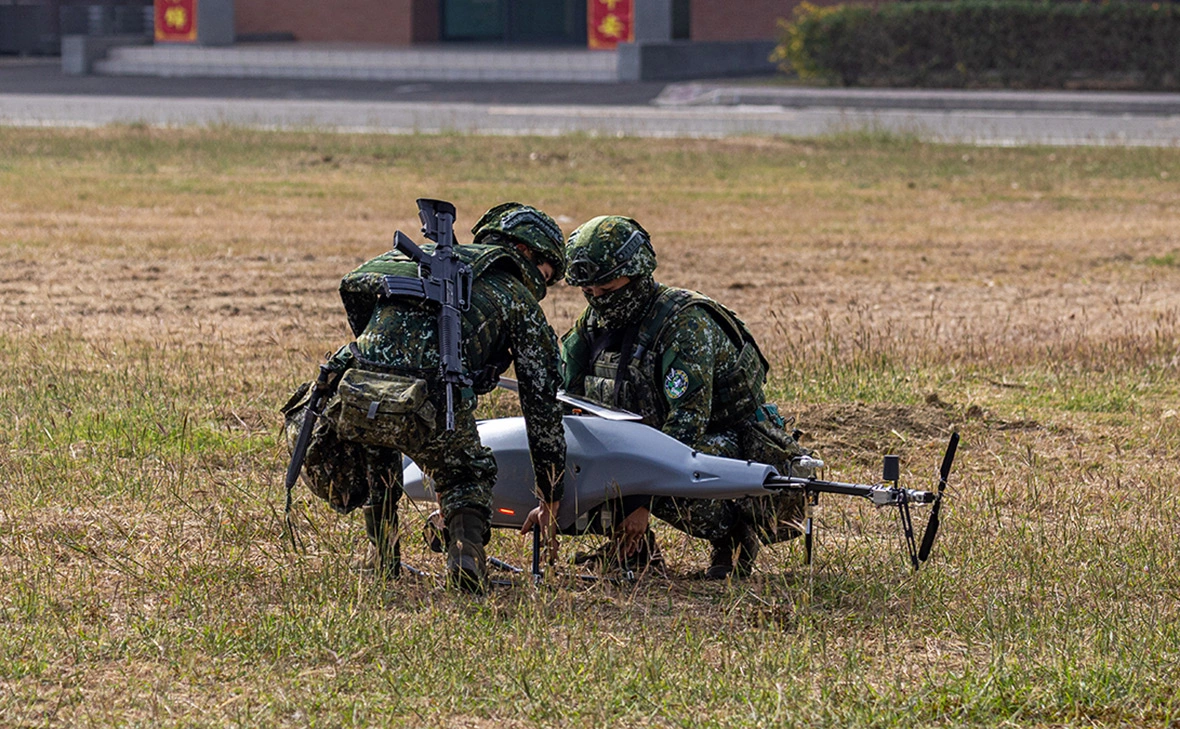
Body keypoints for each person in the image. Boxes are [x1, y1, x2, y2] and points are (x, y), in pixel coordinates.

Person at [283, 201, 567, 593]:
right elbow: (542, 401)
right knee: (465, 474)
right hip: (435, 395)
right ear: (526, 252)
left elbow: (356, 281)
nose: (541, 286)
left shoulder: (418, 263)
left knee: (379, 459)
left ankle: (383, 560)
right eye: (545, 274)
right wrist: (552, 492)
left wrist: (378, 347)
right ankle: (465, 558)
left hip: (361, 388)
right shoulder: (516, 295)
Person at [560, 215, 811, 579]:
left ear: (638, 272)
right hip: (644, 439)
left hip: (720, 448)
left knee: (665, 475)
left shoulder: (685, 323)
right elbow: (566, 395)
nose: (598, 301)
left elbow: (686, 426)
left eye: (607, 290)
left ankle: (734, 535)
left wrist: (640, 499)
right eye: (589, 292)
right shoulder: (593, 324)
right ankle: (632, 549)